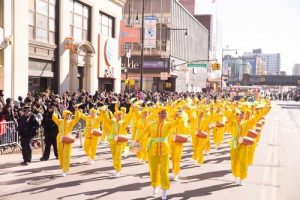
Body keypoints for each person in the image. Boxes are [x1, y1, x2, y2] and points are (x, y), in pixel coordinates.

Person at [145, 106, 178, 200]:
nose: (163, 115)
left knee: (164, 172)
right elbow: (144, 133)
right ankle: (155, 187)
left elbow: (177, 123)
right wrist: (137, 140)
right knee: (154, 171)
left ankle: (164, 189)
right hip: (152, 150)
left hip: (164, 150)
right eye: (161, 113)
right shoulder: (152, 124)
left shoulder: (168, 124)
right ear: (157, 114)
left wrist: (178, 115)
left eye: (164, 113)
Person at [52, 106, 80, 176]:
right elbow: (54, 118)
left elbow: (76, 119)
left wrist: (76, 111)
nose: (67, 116)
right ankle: (62, 166)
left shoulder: (71, 122)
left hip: (67, 138)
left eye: (68, 115)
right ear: (63, 115)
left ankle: (65, 170)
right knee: (60, 153)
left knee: (66, 154)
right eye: (66, 114)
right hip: (60, 138)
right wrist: (54, 112)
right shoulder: (60, 121)